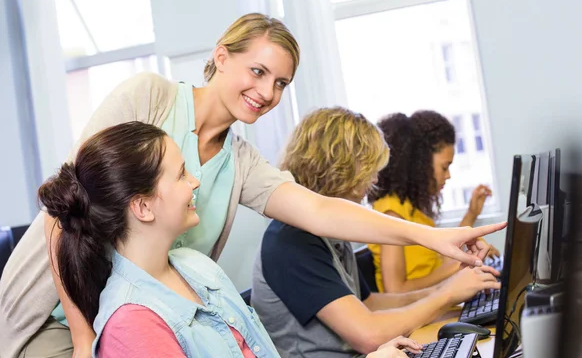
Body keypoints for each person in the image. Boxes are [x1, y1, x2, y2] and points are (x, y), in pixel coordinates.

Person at [0, 14, 504, 358]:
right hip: (59, 314)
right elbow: (67, 208)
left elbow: (322, 211)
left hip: (153, 322)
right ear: (221, 56)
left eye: (281, 83)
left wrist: (431, 237)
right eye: (257, 71)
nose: (266, 92)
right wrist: (87, 338)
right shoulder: (149, 98)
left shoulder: (240, 161)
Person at [38, 121, 424, 358]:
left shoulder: (195, 265)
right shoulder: (133, 324)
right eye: (181, 174)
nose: (196, 181)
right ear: (142, 207)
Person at [251, 108, 500, 358]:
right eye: (368, 171)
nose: (373, 182)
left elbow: (368, 305)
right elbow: (368, 335)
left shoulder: (331, 230)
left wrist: (448, 292)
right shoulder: (290, 241)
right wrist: (446, 295)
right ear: (341, 170)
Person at [367, 111, 500, 294]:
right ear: (420, 163)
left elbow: (438, 266)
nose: (448, 175)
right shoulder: (393, 212)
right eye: (444, 167)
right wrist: (463, 263)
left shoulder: (414, 209)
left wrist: (471, 215)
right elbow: (396, 290)